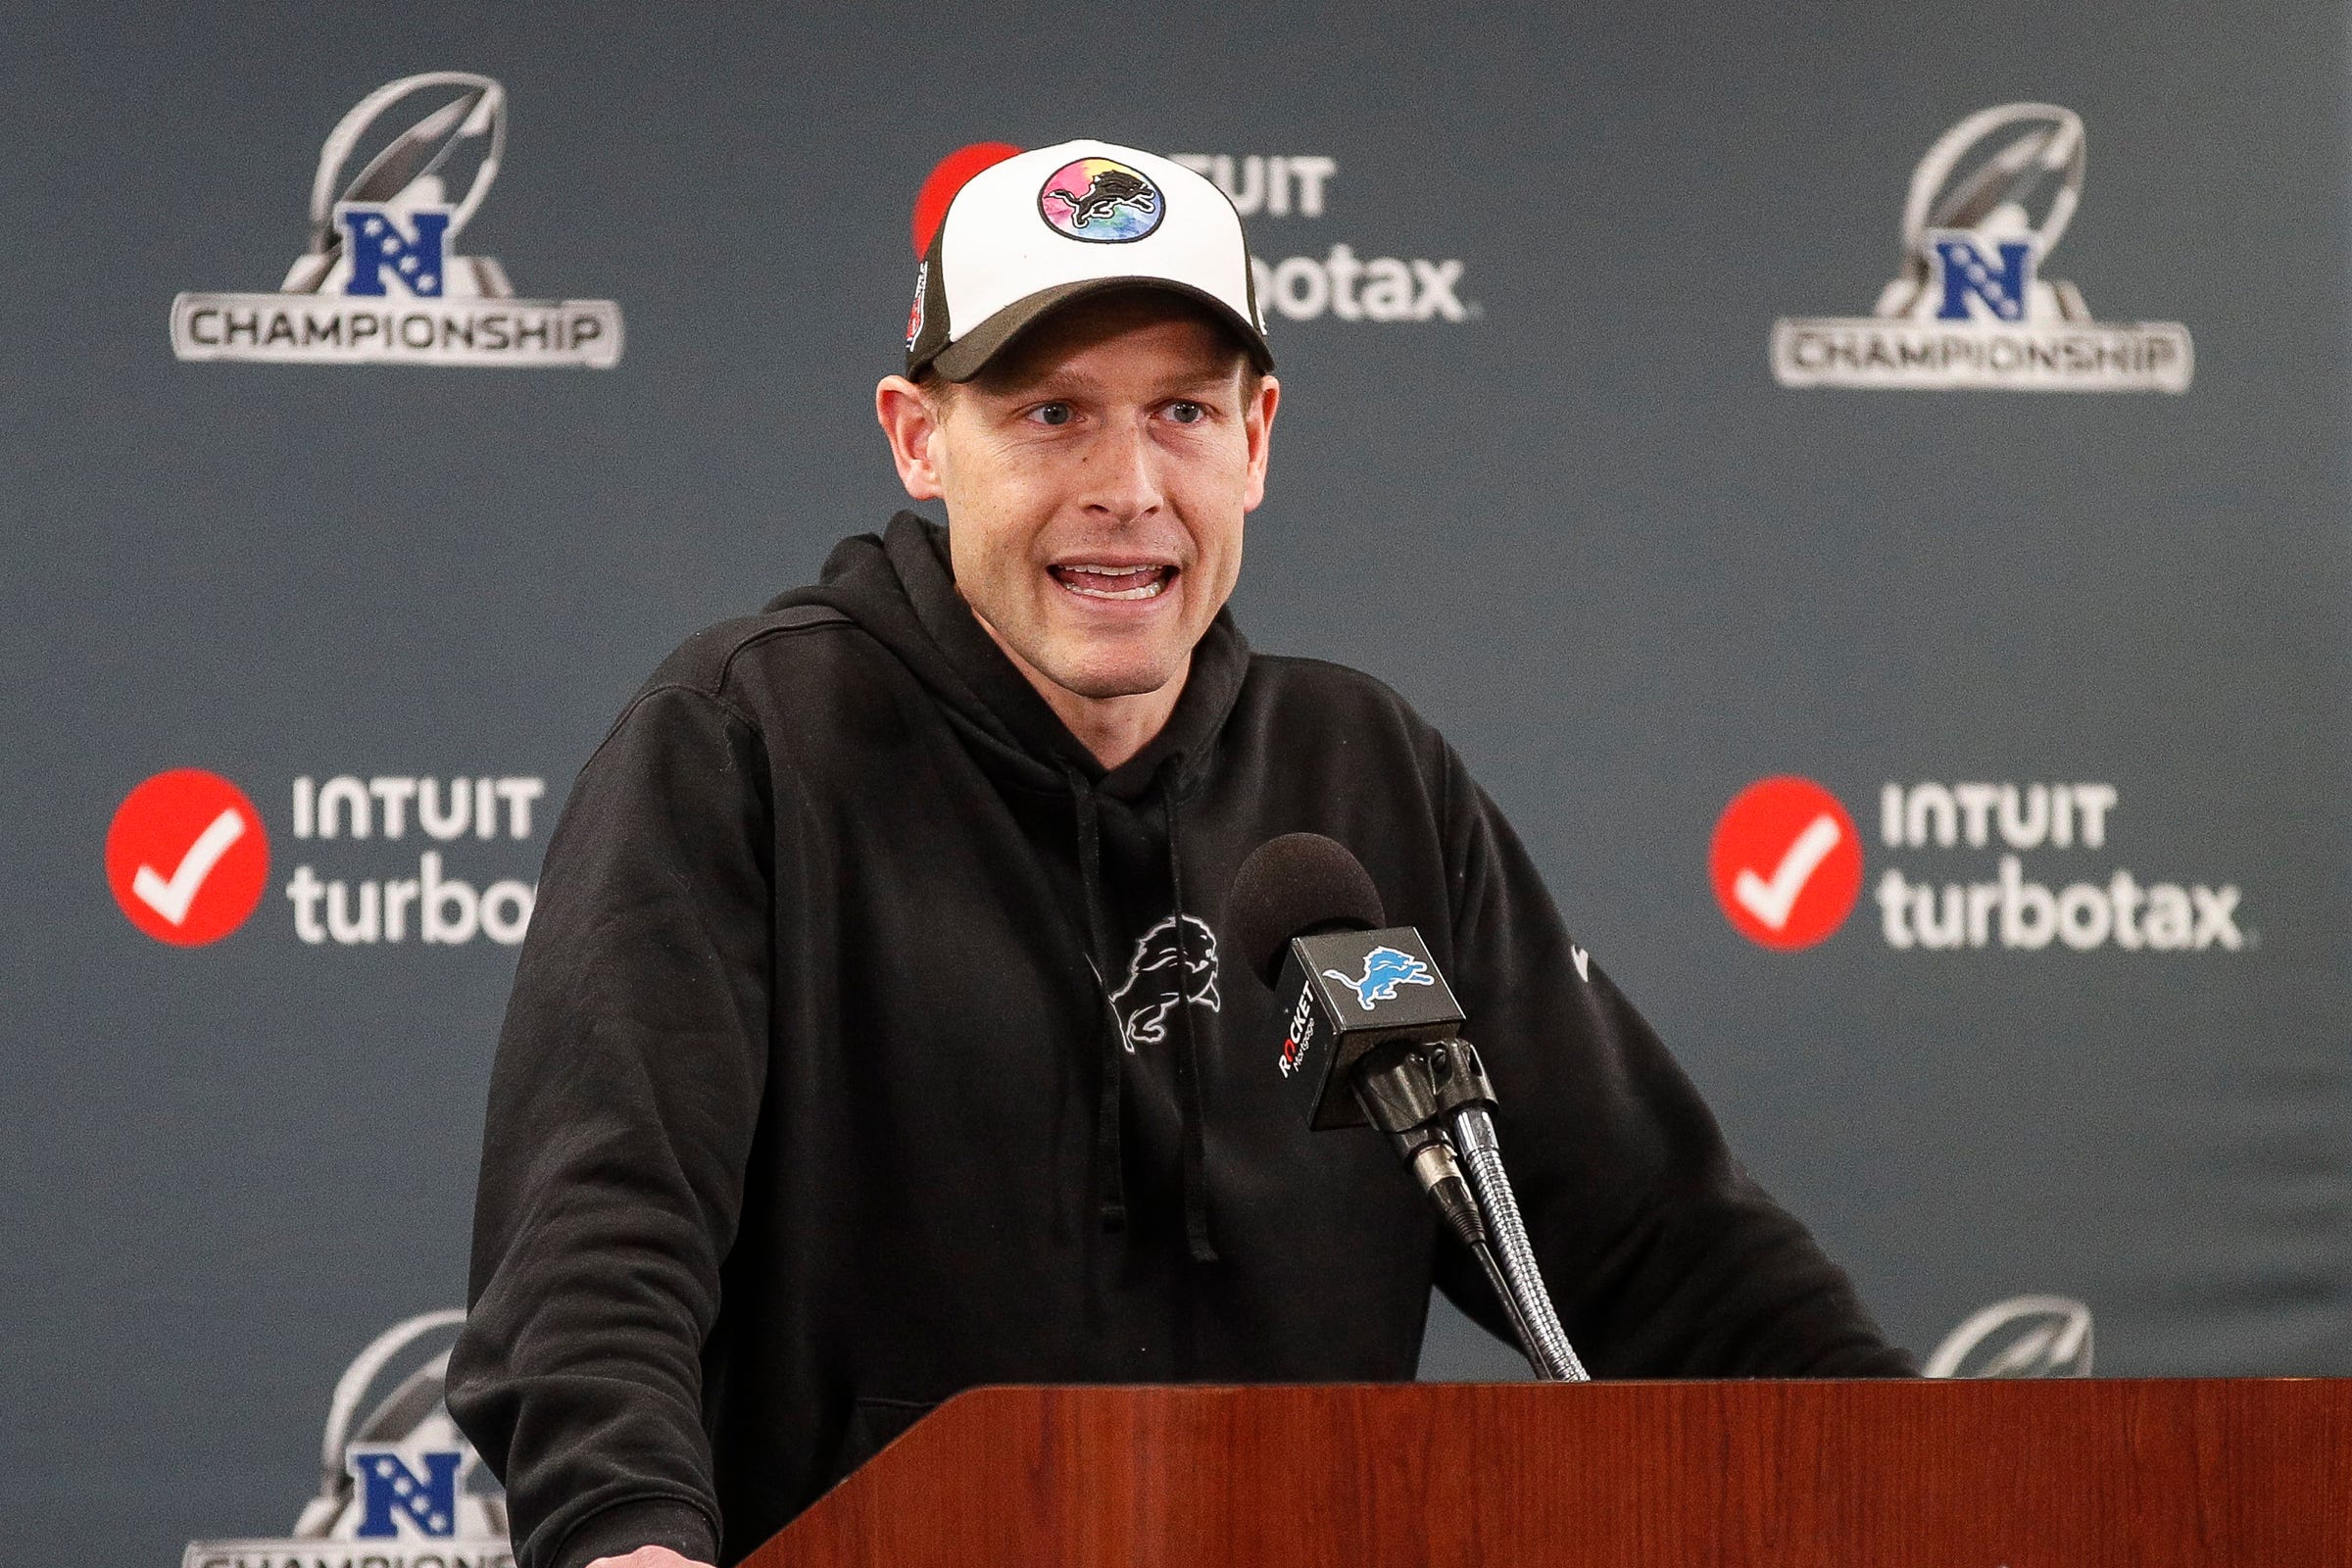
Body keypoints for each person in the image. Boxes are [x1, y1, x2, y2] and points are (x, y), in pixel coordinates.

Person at [448, 140, 1911, 1568]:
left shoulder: (1364, 777)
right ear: (917, 436)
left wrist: (1925, 1480)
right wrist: (623, 1540)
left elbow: (1657, 1250)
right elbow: (595, 1254)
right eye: (1051, 415)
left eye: (1182, 416)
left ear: (1257, 440)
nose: (1129, 486)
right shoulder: (745, 744)